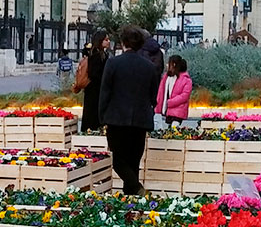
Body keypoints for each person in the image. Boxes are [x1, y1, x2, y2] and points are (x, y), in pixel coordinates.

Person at [99, 25, 158, 195]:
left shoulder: (113, 63)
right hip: (140, 120)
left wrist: (102, 117)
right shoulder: (149, 67)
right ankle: (132, 199)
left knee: (118, 160)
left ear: (123, 43)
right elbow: (153, 96)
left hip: (116, 119)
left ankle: (137, 189)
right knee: (133, 161)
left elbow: (105, 92)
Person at [75, 30, 109, 132]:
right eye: (106, 40)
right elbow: (94, 74)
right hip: (95, 91)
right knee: (93, 117)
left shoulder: (99, 54)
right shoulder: (97, 56)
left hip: (94, 91)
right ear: (100, 41)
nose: (108, 41)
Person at [155, 55, 192, 126]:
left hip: (178, 111)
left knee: (174, 128)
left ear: (174, 64)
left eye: (169, 63)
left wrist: (170, 102)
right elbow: (161, 93)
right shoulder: (166, 77)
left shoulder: (186, 80)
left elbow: (185, 96)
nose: (167, 65)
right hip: (167, 110)